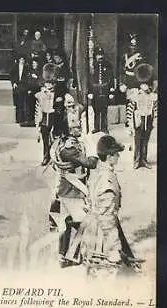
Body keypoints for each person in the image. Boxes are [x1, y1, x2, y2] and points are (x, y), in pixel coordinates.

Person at [79, 135, 143, 274]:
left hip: (93, 230)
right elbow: (107, 220)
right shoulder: (107, 180)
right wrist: (115, 248)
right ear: (109, 156)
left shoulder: (97, 172)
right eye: (116, 154)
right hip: (102, 237)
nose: (118, 156)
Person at [49, 94, 98, 267]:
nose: (77, 125)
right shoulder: (70, 148)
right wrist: (91, 144)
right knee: (82, 222)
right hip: (73, 189)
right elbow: (91, 163)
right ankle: (73, 255)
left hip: (63, 187)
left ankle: (64, 255)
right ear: (66, 127)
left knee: (66, 223)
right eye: (73, 123)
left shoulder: (60, 143)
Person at [126, 63, 157, 170]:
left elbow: (155, 109)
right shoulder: (135, 96)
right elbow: (130, 110)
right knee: (138, 140)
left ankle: (144, 159)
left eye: (146, 84)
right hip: (138, 120)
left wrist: (155, 121)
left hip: (148, 119)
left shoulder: (153, 97)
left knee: (145, 140)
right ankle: (137, 160)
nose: (145, 86)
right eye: (143, 84)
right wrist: (130, 124)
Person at [35, 63, 65, 166]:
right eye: (47, 83)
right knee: (45, 139)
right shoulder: (41, 94)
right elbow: (38, 109)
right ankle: (46, 156)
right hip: (44, 118)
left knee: (56, 139)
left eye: (51, 83)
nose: (49, 86)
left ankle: (55, 157)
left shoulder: (59, 93)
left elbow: (61, 109)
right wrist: (38, 124)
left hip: (55, 118)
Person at [88, 47, 115, 134]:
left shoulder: (108, 65)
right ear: (95, 56)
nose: (100, 57)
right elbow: (89, 80)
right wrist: (90, 92)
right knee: (96, 110)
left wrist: (111, 91)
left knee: (104, 110)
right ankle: (96, 127)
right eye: (98, 55)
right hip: (95, 90)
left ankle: (104, 127)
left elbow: (111, 78)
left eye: (101, 55)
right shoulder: (91, 66)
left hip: (105, 90)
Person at [119, 33, 147, 101]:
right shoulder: (124, 57)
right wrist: (122, 83)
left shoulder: (140, 58)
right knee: (128, 104)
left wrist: (143, 84)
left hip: (138, 84)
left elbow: (143, 72)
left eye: (134, 46)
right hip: (127, 84)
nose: (133, 48)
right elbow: (121, 72)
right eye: (131, 46)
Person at [21, 59, 42, 127]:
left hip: (36, 91)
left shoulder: (39, 72)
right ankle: (29, 120)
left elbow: (40, 82)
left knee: (35, 106)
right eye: (33, 64)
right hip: (30, 91)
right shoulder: (30, 72)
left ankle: (34, 120)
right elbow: (28, 81)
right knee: (29, 106)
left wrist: (36, 77)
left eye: (35, 63)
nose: (33, 65)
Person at [10, 55, 30, 124]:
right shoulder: (15, 67)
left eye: (23, 60)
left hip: (24, 87)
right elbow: (11, 75)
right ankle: (18, 119)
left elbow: (28, 78)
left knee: (25, 103)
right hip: (17, 86)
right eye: (21, 60)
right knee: (18, 104)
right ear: (18, 60)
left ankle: (24, 119)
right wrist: (14, 83)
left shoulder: (27, 68)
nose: (22, 61)